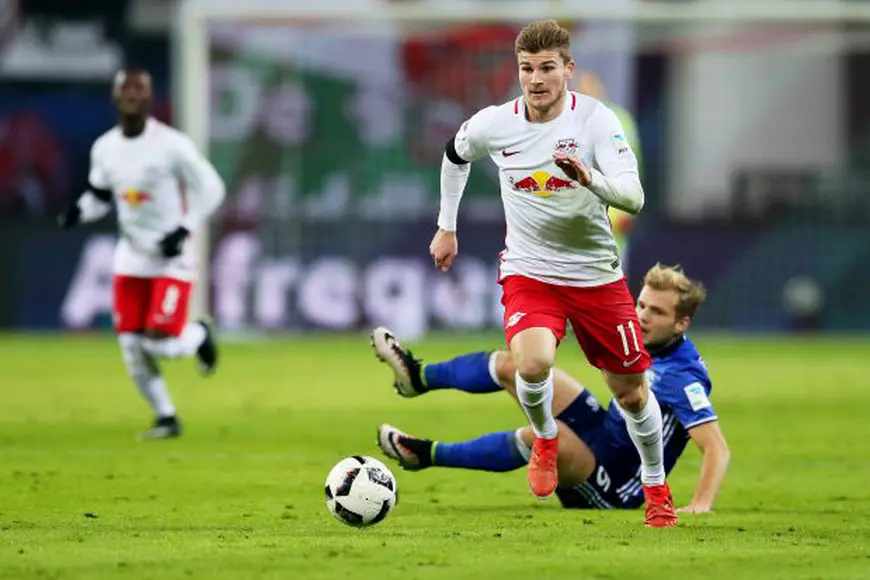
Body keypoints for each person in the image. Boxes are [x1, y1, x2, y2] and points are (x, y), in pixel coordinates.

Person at [427, 19, 674, 526]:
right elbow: (455, 154)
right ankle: (544, 438)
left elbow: (635, 196)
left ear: (568, 70)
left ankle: (656, 485)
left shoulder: (597, 122)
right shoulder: (497, 122)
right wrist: (446, 228)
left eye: (546, 68)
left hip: (596, 278)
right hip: (530, 271)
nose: (535, 79)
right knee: (532, 363)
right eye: (526, 69)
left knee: (631, 392)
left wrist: (591, 180)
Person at [374, 264, 730, 514]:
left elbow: (716, 448)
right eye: (640, 305)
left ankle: (426, 454)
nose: (642, 316)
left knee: (546, 436)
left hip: (616, 484)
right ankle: (417, 378)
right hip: (602, 433)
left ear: (682, 323)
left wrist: (700, 504)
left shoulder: (683, 378)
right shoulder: (636, 339)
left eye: (657, 312)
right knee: (520, 367)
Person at [58, 68, 226, 440]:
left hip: (171, 258)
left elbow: (212, 188)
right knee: (131, 345)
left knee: (160, 342)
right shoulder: (104, 148)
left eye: (140, 88)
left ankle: (198, 334)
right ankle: (166, 417)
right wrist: (77, 212)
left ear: (150, 98)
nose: (132, 93)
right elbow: (101, 198)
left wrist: (184, 228)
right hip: (130, 258)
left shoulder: (172, 145)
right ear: (115, 96)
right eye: (125, 87)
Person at [576, 70, 641, 273]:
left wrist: (624, 211)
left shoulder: (619, 121)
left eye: (590, 88)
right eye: (581, 90)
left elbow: (630, 167)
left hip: (611, 221)